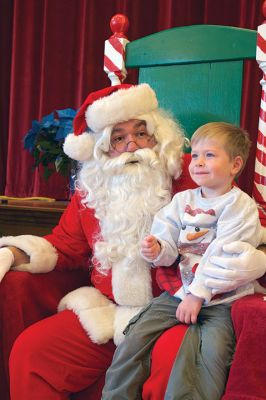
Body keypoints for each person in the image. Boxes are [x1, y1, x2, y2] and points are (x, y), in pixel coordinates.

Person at [0, 84, 265, 400]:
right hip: (107, 311)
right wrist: (14, 253)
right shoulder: (93, 189)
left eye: (142, 134)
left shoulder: (192, 175)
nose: (132, 145)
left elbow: (249, 228)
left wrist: (257, 258)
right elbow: (65, 245)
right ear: (101, 148)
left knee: (173, 363)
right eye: (118, 138)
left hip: (179, 306)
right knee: (32, 353)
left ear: (158, 136)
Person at [101, 122, 266, 400]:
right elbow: (168, 242)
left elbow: (224, 256)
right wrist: (158, 249)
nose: (198, 162)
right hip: (178, 293)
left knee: (209, 356)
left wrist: (198, 296)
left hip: (222, 299)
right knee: (135, 339)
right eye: (196, 153)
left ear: (235, 165)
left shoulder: (239, 206)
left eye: (210, 155)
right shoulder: (182, 200)